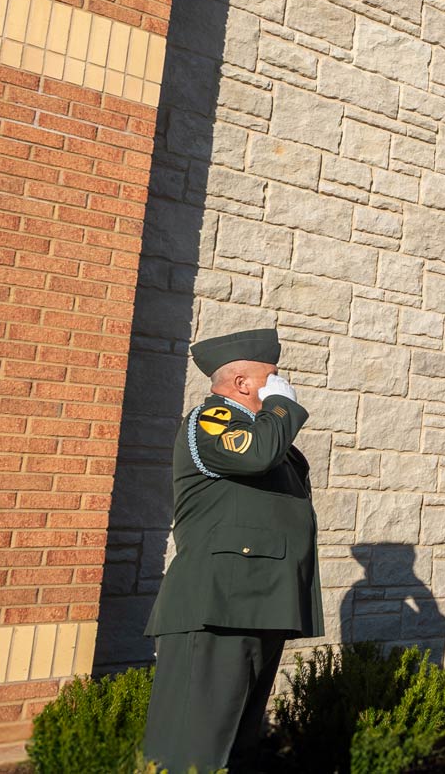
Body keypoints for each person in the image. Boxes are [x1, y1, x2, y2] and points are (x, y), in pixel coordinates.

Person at [142, 329, 321, 774]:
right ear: (242, 383)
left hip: (258, 602)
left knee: (237, 744)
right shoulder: (211, 419)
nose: (281, 385)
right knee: (192, 747)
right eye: (272, 377)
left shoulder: (269, 437)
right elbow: (255, 455)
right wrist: (283, 406)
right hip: (216, 603)